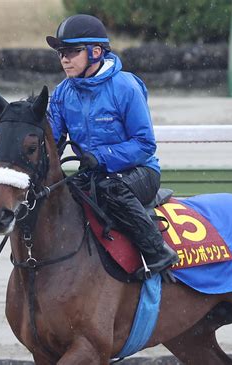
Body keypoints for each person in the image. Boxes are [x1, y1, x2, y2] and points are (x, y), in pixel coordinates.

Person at [46, 14, 178, 276]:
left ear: (96, 52)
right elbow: (52, 138)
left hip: (140, 172)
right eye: (61, 52)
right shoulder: (62, 92)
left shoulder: (125, 87)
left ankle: (157, 252)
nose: (64, 58)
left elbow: (144, 144)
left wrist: (102, 157)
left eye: (72, 51)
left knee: (110, 188)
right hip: (94, 174)